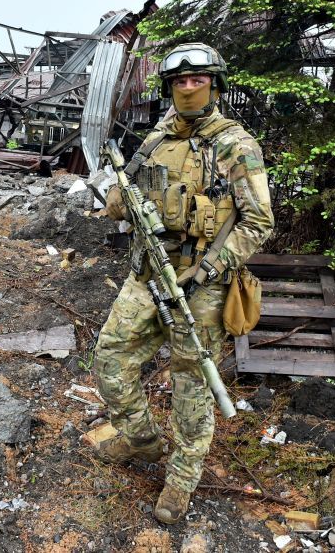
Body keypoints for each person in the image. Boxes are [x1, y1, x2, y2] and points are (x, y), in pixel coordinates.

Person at [93, 42, 274, 524]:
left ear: (215, 85)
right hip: (149, 270)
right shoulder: (156, 138)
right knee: (109, 357)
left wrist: (209, 268)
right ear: (169, 87)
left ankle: (182, 478)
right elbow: (120, 190)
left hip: (204, 284)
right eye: (179, 82)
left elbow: (258, 222)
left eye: (197, 81)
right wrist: (118, 199)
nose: (188, 88)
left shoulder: (235, 145)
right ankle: (142, 440)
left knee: (192, 387)